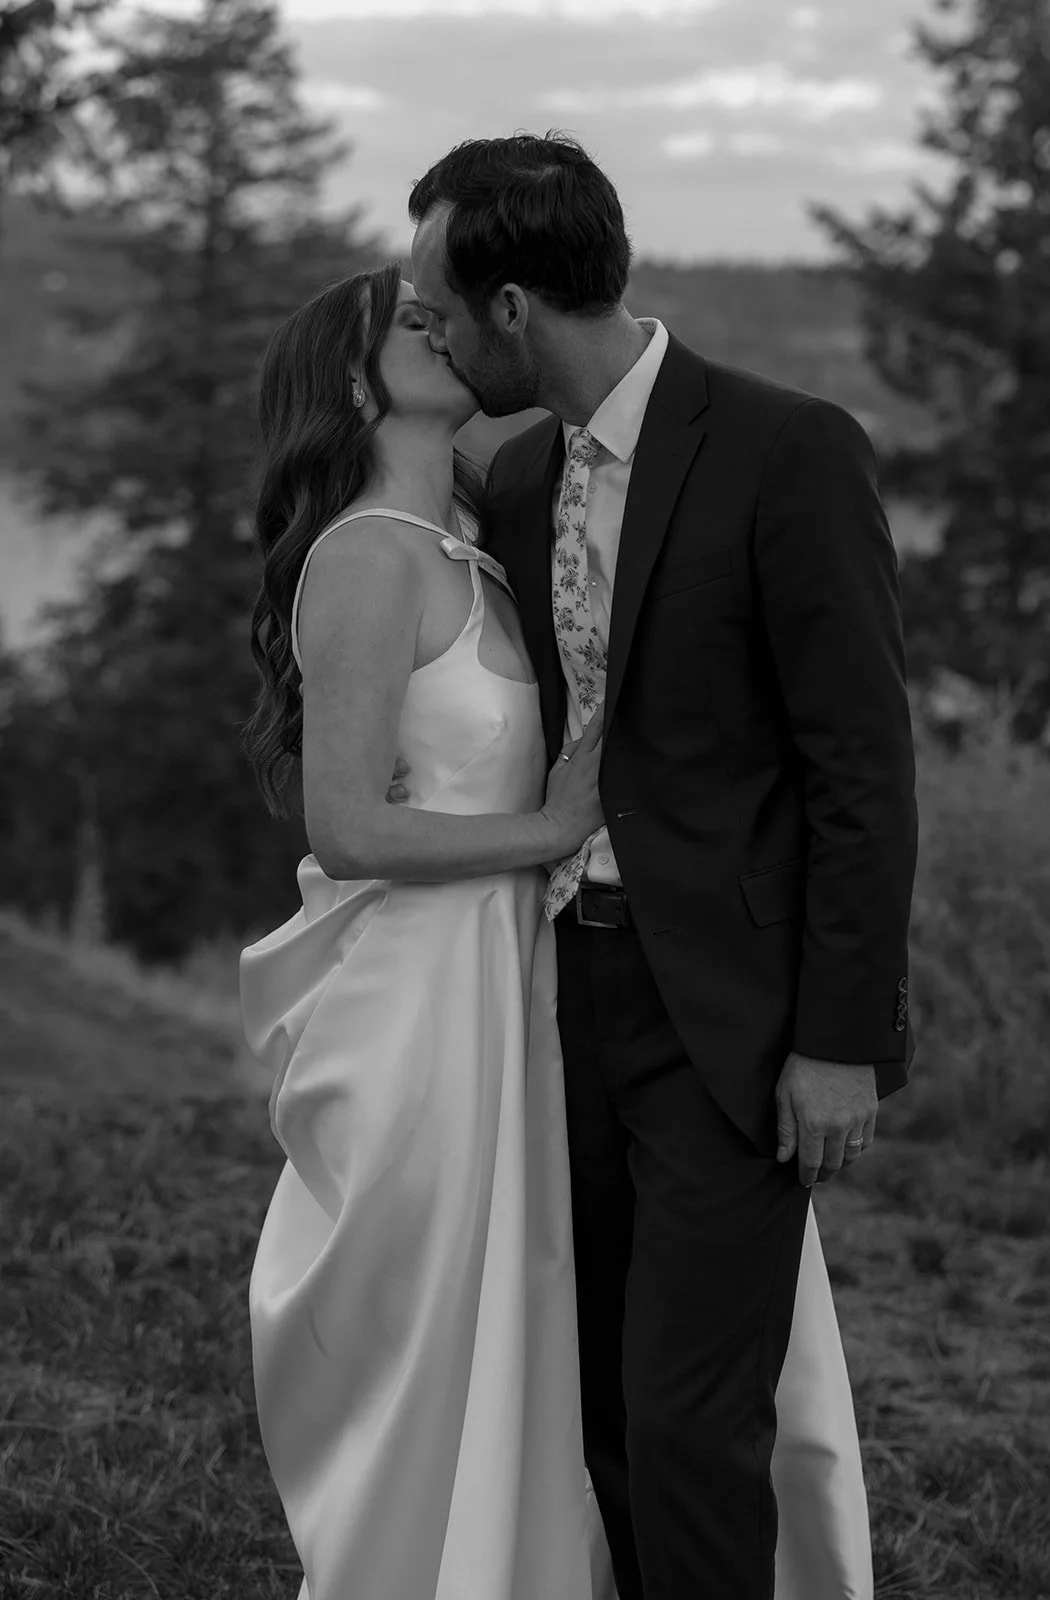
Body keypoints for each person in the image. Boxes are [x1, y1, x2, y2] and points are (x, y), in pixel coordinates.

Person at [405, 132, 918, 1600]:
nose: (427, 329)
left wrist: (839, 1043)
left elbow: (860, 773)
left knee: (692, 1418)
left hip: (732, 1024)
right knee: (600, 1408)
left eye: (439, 302)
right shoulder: (507, 481)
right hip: (557, 1002)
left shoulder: (785, 446)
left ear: (513, 305)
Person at [240, 262, 607, 1600]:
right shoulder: (363, 558)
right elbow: (348, 829)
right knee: (436, 1339)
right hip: (419, 1009)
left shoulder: (469, 541)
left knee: (514, 1328)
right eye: (409, 322)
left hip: (497, 986)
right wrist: (552, 827)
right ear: (352, 383)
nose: (441, 327)